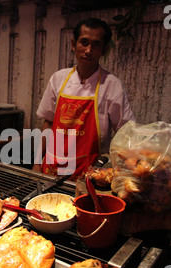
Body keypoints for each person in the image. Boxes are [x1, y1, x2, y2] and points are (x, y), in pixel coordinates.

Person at [32, 18, 135, 180]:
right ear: (74, 44)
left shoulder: (112, 86)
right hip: (51, 170)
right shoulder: (58, 79)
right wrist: (37, 160)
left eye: (96, 44)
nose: (88, 50)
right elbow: (48, 123)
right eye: (84, 42)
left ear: (104, 49)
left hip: (89, 175)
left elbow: (127, 133)